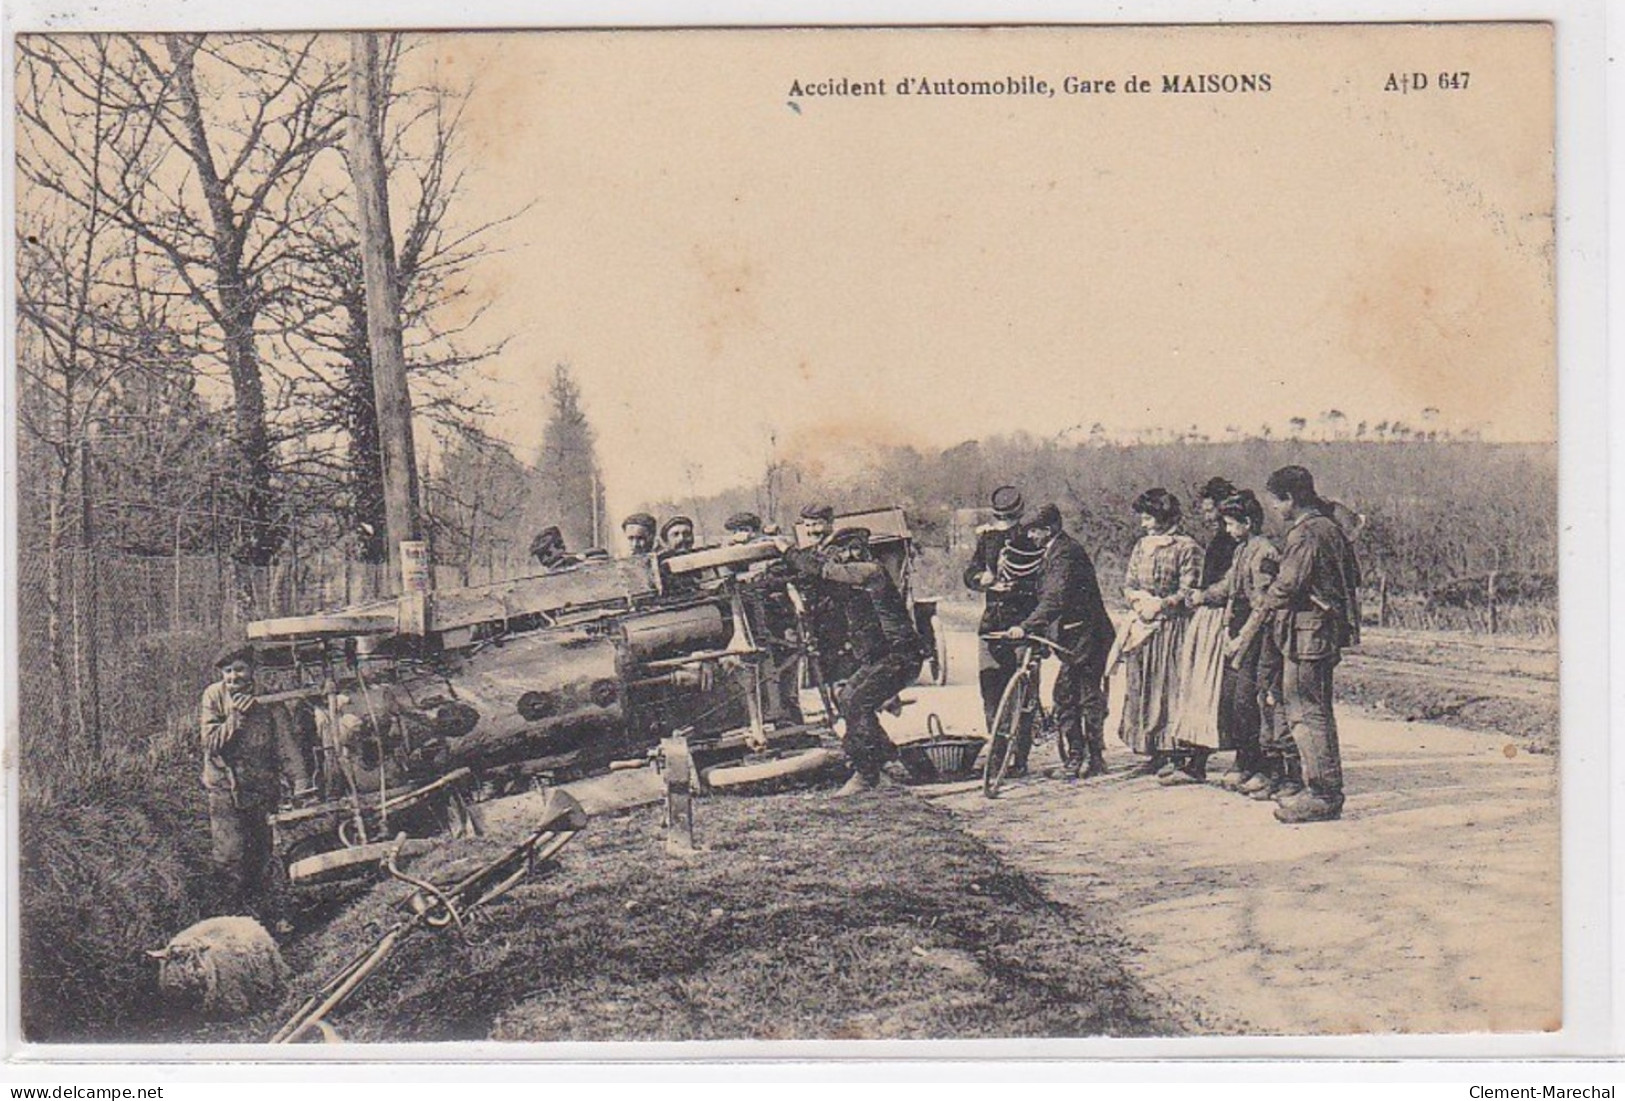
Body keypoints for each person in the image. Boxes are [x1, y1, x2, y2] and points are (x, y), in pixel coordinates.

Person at [1252, 465, 1362, 824]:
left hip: (1307, 635)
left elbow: (1288, 585)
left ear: (1290, 499)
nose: (1274, 510)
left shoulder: (1307, 534)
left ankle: (1323, 794)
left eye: (1276, 502)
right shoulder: (1329, 529)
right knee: (1314, 711)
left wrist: (1263, 602)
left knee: (1305, 712)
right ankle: (1320, 788)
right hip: (1316, 632)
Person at [785, 526, 924, 796]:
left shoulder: (871, 571)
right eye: (838, 552)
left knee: (857, 704)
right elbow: (817, 578)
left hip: (899, 657)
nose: (843, 557)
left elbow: (824, 571)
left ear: (860, 551)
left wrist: (787, 551)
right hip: (881, 659)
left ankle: (867, 775)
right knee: (848, 699)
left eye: (849, 550)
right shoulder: (852, 581)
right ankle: (888, 756)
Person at [1004, 504, 1116, 780]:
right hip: (1074, 637)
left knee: (1085, 697)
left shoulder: (1065, 553)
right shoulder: (1054, 551)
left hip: (1088, 636)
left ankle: (1092, 757)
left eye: (1034, 531)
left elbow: (1055, 598)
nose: (1030, 536)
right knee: (1066, 697)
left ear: (1050, 528)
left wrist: (1026, 625)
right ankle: (1077, 756)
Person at [199, 644, 306, 922]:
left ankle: (266, 918)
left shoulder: (268, 699)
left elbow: (285, 744)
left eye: (240, 670)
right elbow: (210, 744)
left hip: (260, 787)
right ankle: (229, 920)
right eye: (228, 671)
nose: (234, 677)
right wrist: (235, 718)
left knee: (262, 855)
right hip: (225, 788)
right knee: (229, 856)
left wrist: (300, 780)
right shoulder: (213, 696)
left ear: (251, 671)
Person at [1190, 490, 1282, 792]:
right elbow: (1229, 584)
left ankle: (1261, 766)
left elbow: (1264, 604)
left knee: (1250, 700)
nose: (1227, 530)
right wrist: (1202, 595)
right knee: (1234, 700)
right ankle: (1245, 761)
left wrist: (1242, 638)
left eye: (1231, 524)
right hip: (1238, 629)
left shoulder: (1264, 552)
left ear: (1247, 522)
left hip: (1258, 635)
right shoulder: (1243, 549)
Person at [1112, 488, 1202, 775]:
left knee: (1169, 687)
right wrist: (1138, 601)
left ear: (1163, 517)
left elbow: (1189, 589)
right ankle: (1152, 750)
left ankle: (1174, 751)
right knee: (1142, 686)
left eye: (1148, 517)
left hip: (1171, 628)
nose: (1143, 523)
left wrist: (1162, 605)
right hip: (1142, 626)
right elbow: (1128, 583)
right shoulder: (1141, 545)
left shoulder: (1186, 547)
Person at [1164, 477, 1241, 784]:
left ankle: (1203, 762)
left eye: (1212, 510)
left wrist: (1205, 595)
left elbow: (1232, 582)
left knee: (1210, 690)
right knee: (1198, 689)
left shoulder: (1234, 540)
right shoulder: (1220, 539)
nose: (1208, 516)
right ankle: (1193, 760)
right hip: (1206, 614)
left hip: (1220, 616)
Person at [962, 485, 1040, 734]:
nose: (1003, 522)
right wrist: (979, 578)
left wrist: (1016, 586)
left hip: (1022, 625)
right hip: (991, 626)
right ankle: (998, 748)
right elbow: (970, 573)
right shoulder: (987, 538)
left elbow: (1042, 580)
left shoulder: (1032, 538)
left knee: (1022, 691)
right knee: (991, 689)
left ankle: (1020, 754)